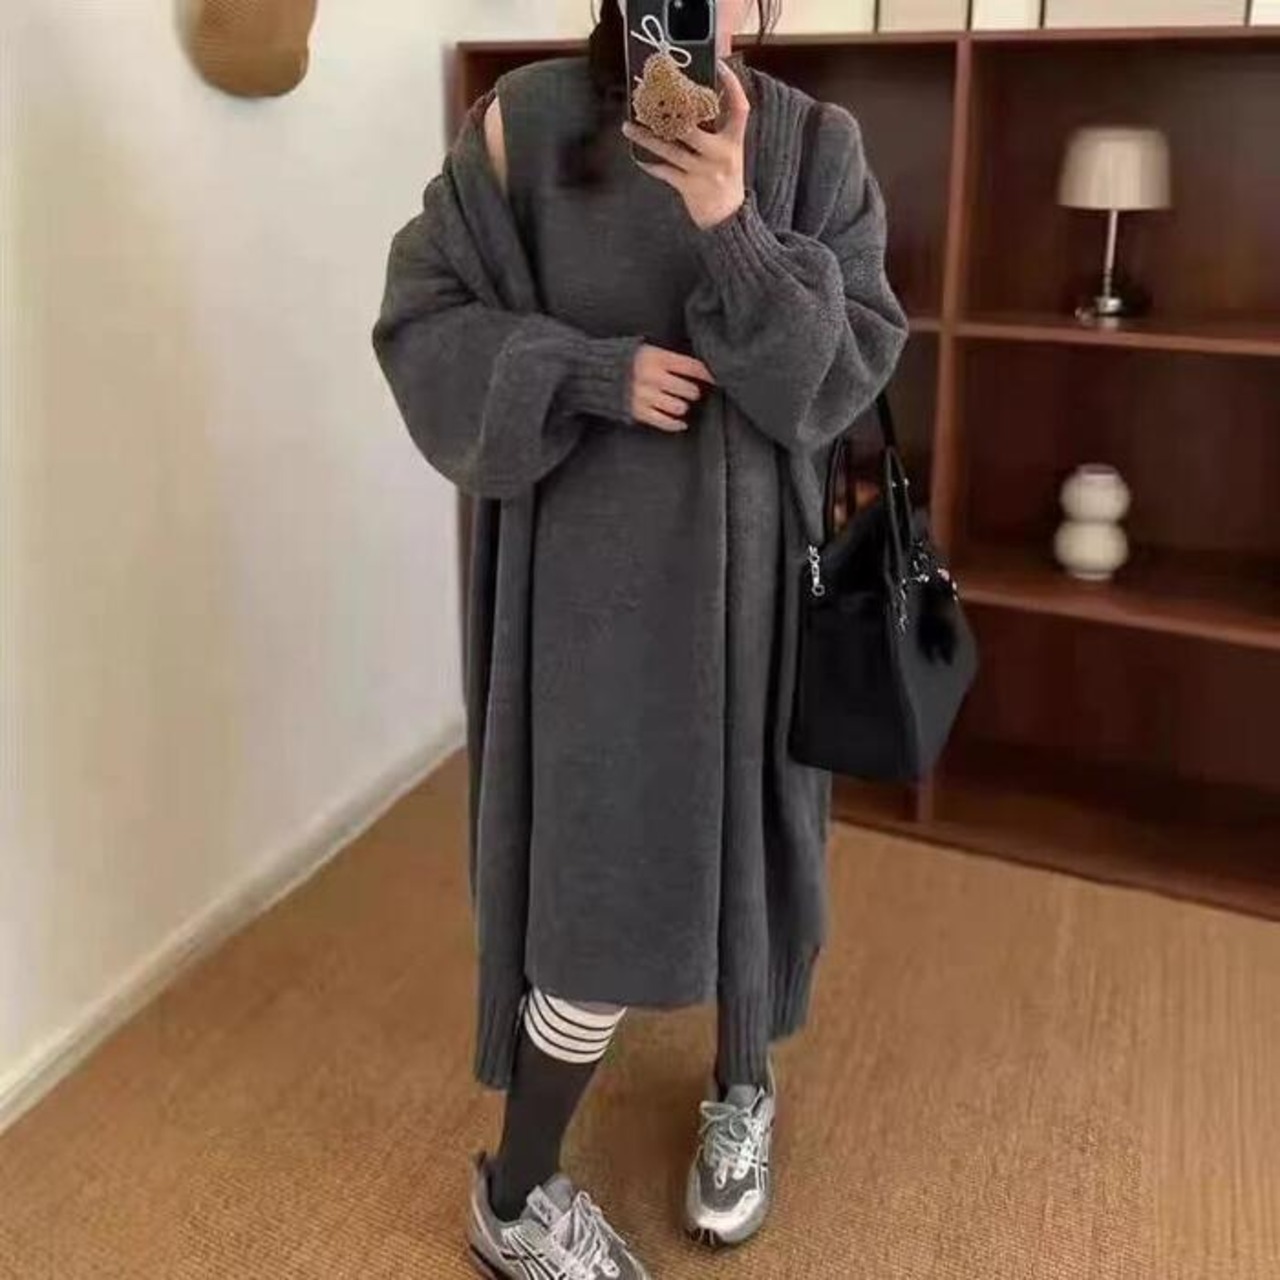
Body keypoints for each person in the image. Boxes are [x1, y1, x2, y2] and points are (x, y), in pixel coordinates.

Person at [373, 2, 907, 1275]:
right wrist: (584, 372)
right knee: (596, 871)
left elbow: (835, 382)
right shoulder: (524, 123)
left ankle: (741, 1085)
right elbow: (422, 323)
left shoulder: (813, 146)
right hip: (586, 585)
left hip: (756, 582)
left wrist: (731, 221)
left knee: (753, 839)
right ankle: (515, 1190)